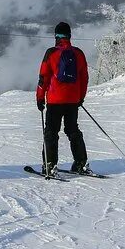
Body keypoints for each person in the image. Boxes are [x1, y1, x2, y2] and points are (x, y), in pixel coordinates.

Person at [36, 22, 91, 178]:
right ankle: (81, 163)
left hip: (55, 101)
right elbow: (84, 78)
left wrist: (40, 98)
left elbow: (43, 78)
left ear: (56, 36)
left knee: (51, 132)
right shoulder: (78, 53)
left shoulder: (51, 53)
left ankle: (50, 165)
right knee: (73, 130)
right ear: (69, 36)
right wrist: (80, 97)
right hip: (73, 101)